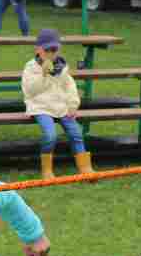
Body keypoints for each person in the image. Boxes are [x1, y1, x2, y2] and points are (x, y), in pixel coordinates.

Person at [22, 29, 92, 180]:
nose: (50, 54)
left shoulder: (62, 67)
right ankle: (47, 170)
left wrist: (73, 105)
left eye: (54, 50)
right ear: (38, 50)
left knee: (76, 133)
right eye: (47, 50)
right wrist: (44, 75)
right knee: (50, 135)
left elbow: (70, 87)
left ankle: (85, 168)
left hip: (61, 107)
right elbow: (30, 91)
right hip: (40, 107)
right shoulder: (31, 67)